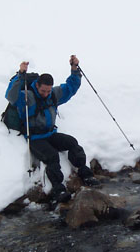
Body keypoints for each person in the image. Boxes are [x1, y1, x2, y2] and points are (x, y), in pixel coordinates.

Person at [6, 55, 99, 203]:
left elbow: (70, 88)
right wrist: (20, 75)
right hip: (35, 138)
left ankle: (84, 171)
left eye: (48, 91)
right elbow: (10, 96)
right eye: (43, 91)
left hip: (50, 134)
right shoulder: (26, 97)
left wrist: (74, 69)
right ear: (37, 86)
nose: (46, 94)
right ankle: (58, 188)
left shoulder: (53, 94)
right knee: (51, 156)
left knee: (72, 142)